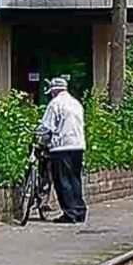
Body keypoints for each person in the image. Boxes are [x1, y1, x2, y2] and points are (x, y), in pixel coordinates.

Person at [38, 76, 87, 224]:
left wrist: (39, 135)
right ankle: (79, 210)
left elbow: (46, 127)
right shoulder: (76, 103)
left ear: (54, 91)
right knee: (75, 178)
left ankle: (69, 213)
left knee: (62, 180)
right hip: (78, 145)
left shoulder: (55, 104)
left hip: (61, 147)